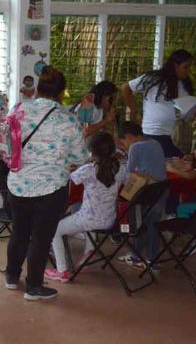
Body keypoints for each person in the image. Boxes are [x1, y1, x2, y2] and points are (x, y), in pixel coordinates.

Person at [5, 66, 88, 301]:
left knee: (19, 233)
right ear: (62, 93)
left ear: (38, 89)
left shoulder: (19, 109)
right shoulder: (68, 119)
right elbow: (80, 157)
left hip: (17, 185)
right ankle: (34, 287)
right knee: (41, 239)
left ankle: (11, 277)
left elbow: (8, 143)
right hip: (50, 189)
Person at [45, 132, 127, 281]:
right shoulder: (120, 168)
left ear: (92, 151)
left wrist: (85, 163)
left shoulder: (88, 169)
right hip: (109, 219)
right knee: (86, 222)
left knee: (54, 230)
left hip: (88, 219)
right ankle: (89, 253)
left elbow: (69, 179)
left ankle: (61, 270)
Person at [122, 49, 194, 158]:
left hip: (174, 136)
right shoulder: (153, 78)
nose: (188, 70)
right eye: (185, 67)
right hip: (152, 134)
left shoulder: (184, 85)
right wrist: (133, 109)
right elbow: (126, 88)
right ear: (175, 65)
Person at [117, 121, 167, 269]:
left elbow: (129, 170)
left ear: (129, 136)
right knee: (152, 223)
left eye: (123, 140)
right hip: (162, 188)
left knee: (140, 222)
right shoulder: (155, 142)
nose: (124, 144)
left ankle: (141, 257)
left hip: (147, 189)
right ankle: (151, 259)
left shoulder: (135, 147)